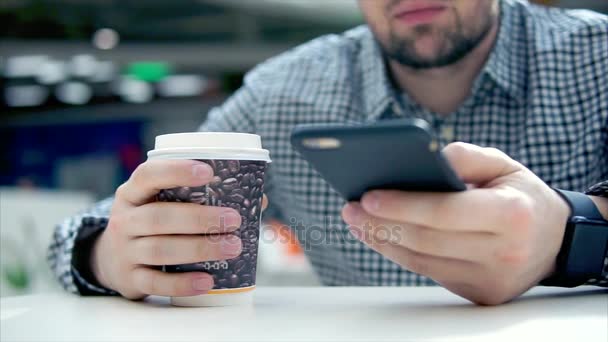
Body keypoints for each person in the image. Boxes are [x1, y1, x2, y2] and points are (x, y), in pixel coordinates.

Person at [48, 0, 608, 305]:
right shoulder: (282, 95)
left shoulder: (596, 59)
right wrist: (110, 254)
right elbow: (81, 229)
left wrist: (571, 234)